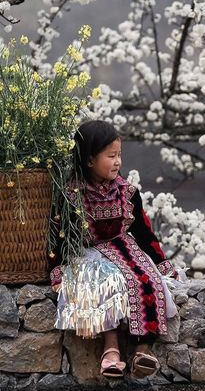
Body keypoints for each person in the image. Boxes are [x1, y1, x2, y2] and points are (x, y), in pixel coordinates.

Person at [48, 119, 185, 379]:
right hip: (88, 253)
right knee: (106, 283)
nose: (118, 161)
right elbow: (59, 236)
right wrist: (56, 269)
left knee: (145, 279)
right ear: (89, 160)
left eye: (119, 155)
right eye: (111, 156)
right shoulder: (70, 195)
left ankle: (143, 349)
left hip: (125, 248)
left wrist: (162, 263)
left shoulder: (128, 192)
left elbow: (144, 233)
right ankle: (111, 350)